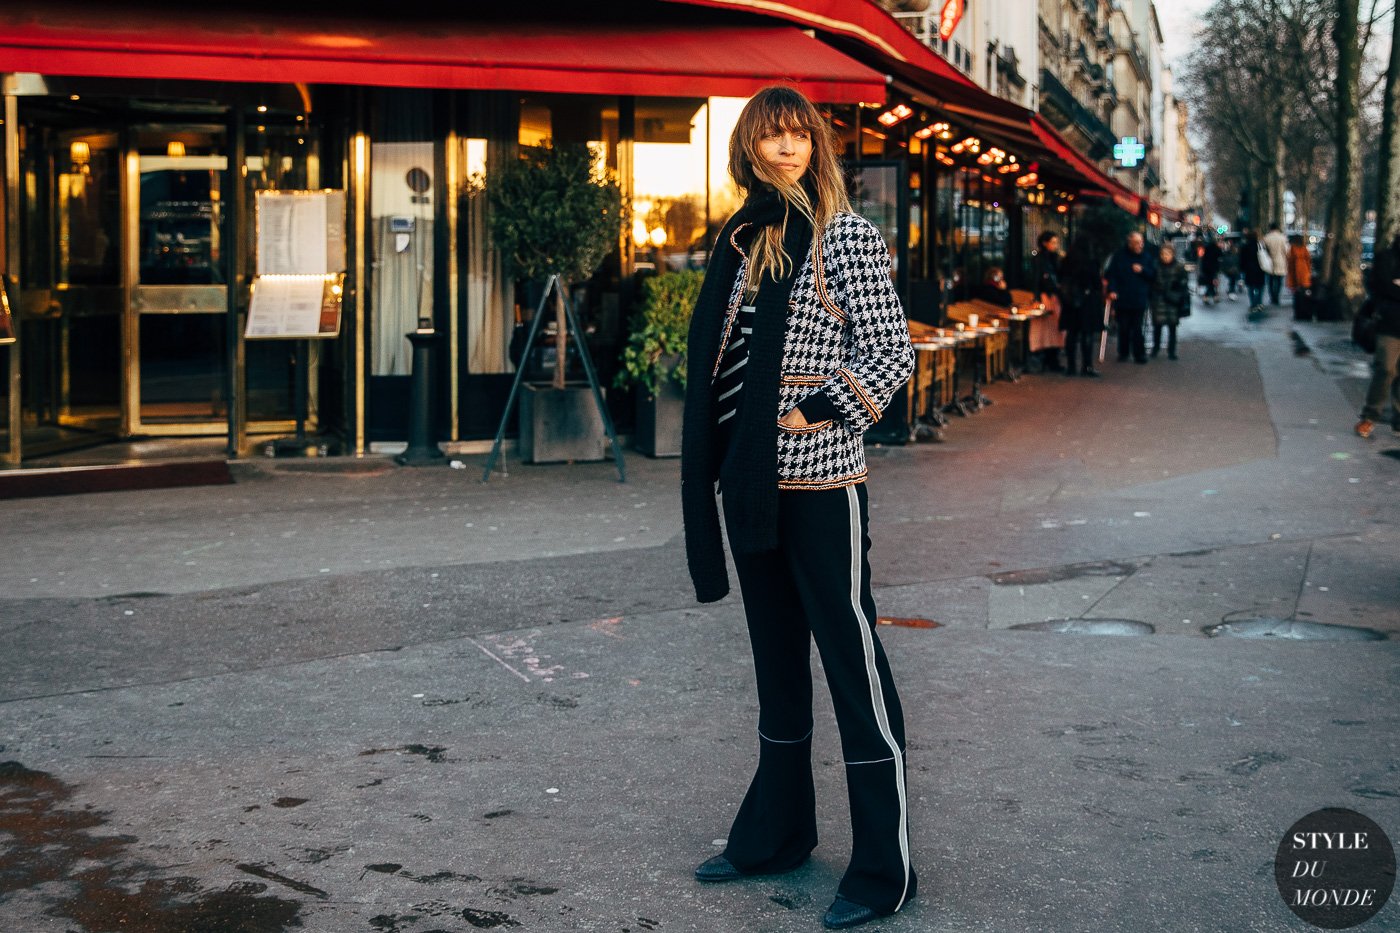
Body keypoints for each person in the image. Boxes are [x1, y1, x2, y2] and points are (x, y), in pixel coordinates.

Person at [680, 85, 917, 931]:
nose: (786, 149)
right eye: (770, 137)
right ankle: (777, 833)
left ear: (815, 144)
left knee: (852, 662)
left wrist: (818, 407)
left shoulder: (845, 234)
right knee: (777, 665)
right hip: (749, 480)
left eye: (798, 136)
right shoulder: (742, 240)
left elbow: (892, 349)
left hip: (820, 477)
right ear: (748, 149)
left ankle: (885, 866)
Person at [1356, 233, 1400, 438]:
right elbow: (1378, 285)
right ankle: (1370, 416)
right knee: (1386, 368)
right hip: (1390, 323)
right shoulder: (1387, 257)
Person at [1105, 231, 1156, 364]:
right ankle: (1123, 352)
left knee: (1137, 327)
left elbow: (1153, 275)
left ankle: (1139, 353)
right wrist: (1112, 289)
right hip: (1123, 297)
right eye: (1137, 243)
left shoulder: (1146, 257)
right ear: (1130, 243)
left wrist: (1143, 271)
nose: (1140, 245)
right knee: (1124, 326)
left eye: (1141, 242)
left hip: (1139, 297)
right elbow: (1112, 274)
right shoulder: (1119, 256)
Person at [1058, 238, 1106, 377]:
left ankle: (1071, 366)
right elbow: (1096, 283)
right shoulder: (1091, 262)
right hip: (1087, 301)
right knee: (1087, 334)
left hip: (1070, 302)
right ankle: (1087, 366)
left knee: (1071, 334)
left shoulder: (1067, 261)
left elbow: (1061, 277)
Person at [1150, 243, 1191, 360]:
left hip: (1173, 299)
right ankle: (1155, 348)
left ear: (1173, 254)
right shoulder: (1155, 265)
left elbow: (1184, 281)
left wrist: (1178, 288)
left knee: (1172, 327)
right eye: (1163, 254)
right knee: (1157, 326)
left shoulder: (1178, 266)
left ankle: (1171, 351)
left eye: (1168, 254)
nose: (1165, 256)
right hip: (1159, 299)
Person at [1031, 230, 1065, 371]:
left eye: (1056, 242)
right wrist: (1037, 297)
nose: (1055, 245)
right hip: (1047, 296)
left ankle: (1051, 358)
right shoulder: (1040, 259)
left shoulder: (1055, 258)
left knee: (1054, 327)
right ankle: (1049, 358)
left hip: (1054, 296)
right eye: (1053, 242)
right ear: (1045, 243)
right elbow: (1036, 279)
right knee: (1049, 327)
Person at [1240, 226, 1267, 309]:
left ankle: (1253, 303)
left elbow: (1242, 259)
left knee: (1250, 287)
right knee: (1260, 286)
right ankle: (1259, 302)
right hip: (1260, 269)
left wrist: (1242, 269)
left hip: (1249, 270)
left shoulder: (1245, 246)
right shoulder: (1260, 246)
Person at [1263, 221, 1289, 306]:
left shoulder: (1266, 238)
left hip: (1269, 261)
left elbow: (1263, 250)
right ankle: (1276, 297)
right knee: (1279, 280)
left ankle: (1272, 297)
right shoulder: (1282, 238)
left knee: (1270, 281)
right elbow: (1286, 250)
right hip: (1280, 261)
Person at [1286, 233, 1313, 312]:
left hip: (1295, 271)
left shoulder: (1292, 248)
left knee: (1297, 292)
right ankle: (1304, 307)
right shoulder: (1304, 248)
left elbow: (1290, 260)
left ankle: (1298, 308)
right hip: (1304, 270)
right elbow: (1308, 259)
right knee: (1304, 290)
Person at [1198, 235, 1221, 305]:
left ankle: (1208, 296)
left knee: (1209, 282)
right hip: (1214, 268)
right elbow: (1220, 256)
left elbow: (1202, 258)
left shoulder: (1206, 248)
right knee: (1212, 282)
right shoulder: (1217, 248)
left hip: (1206, 268)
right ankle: (1213, 296)